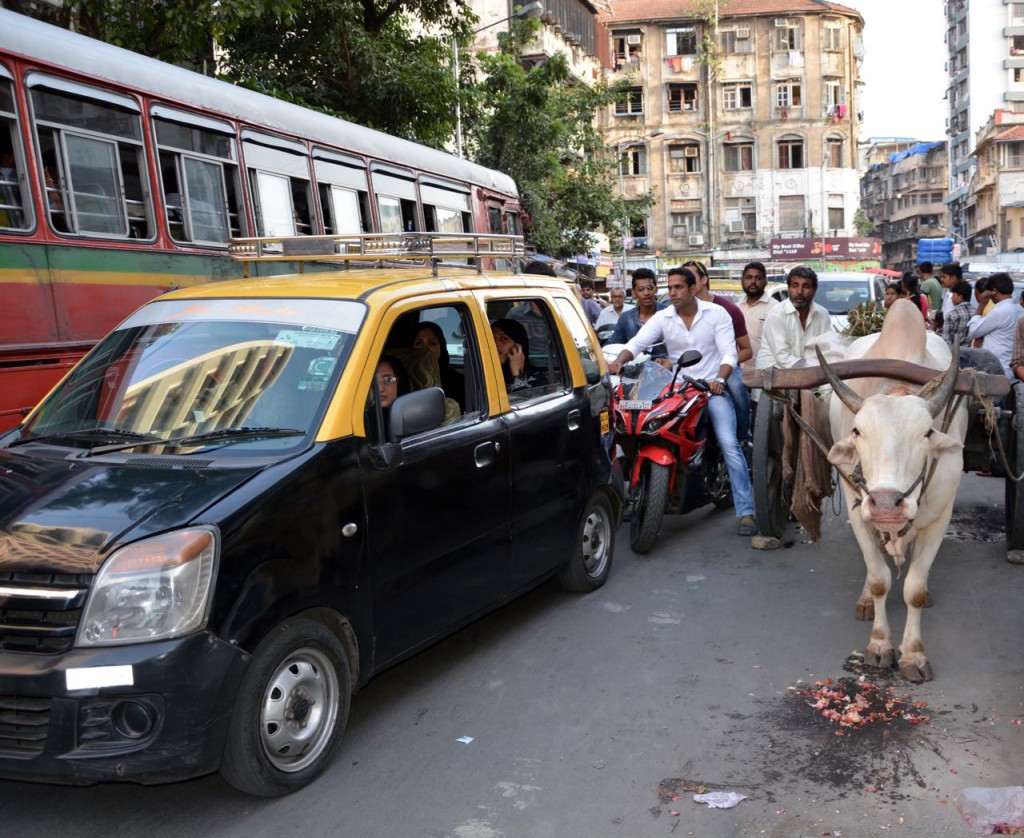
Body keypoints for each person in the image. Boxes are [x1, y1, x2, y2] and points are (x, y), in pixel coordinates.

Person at [607, 266, 757, 536]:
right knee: (643, 426)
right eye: (670, 288)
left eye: (678, 287)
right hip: (678, 390)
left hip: (711, 389)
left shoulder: (717, 314)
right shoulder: (664, 317)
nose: (672, 292)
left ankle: (746, 511)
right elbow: (638, 343)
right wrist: (619, 360)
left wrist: (720, 381)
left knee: (728, 442)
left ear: (692, 288)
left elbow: (729, 354)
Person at [683, 259, 754, 445]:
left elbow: (746, 350)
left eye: (691, 278)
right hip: (692, 369)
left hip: (724, 368)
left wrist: (724, 364)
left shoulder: (728, 309)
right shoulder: (678, 310)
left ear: (704, 280)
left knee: (737, 387)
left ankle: (744, 436)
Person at [757, 266, 832, 370]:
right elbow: (782, 357)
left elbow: (826, 349)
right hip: (772, 373)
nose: (800, 292)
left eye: (806, 286)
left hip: (808, 373)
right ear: (788, 288)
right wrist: (812, 370)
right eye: (795, 286)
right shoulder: (777, 314)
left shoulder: (822, 314)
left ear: (814, 290)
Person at [966, 272, 1024, 377]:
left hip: (998, 370)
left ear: (994, 291)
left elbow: (974, 331)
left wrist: (982, 304)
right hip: (1014, 371)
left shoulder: (999, 312)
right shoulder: (1020, 310)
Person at [609, 268, 669, 360]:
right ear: (634, 293)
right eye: (641, 289)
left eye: (649, 288)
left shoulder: (668, 314)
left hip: (666, 371)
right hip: (634, 371)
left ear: (656, 290)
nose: (646, 293)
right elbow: (612, 345)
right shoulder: (626, 318)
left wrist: (668, 361)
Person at [413, 321, 464, 409]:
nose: (426, 349)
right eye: (419, 343)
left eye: (432, 343)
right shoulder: (401, 380)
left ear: (441, 347)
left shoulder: (458, 383)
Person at [491, 317, 541, 392]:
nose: (495, 344)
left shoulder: (535, 378)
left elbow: (525, 402)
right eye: (492, 338)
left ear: (518, 347)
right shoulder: (479, 372)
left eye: (504, 339)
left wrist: (517, 373)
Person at [375, 355, 410, 438]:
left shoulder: (411, 416)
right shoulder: (361, 418)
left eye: (388, 379)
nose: (380, 388)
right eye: (373, 381)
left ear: (400, 382)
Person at [942, 280, 973, 348]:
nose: (952, 297)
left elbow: (946, 339)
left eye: (954, 295)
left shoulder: (952, 315)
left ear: (960, 296)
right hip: (971, 352)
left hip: (956, 352)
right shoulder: (976, 312)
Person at [937, 262, 963, 327]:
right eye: (941, 277)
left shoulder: (960, 294)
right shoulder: (948, 291)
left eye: (944, 277)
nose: (941, 279)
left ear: (953, 278)